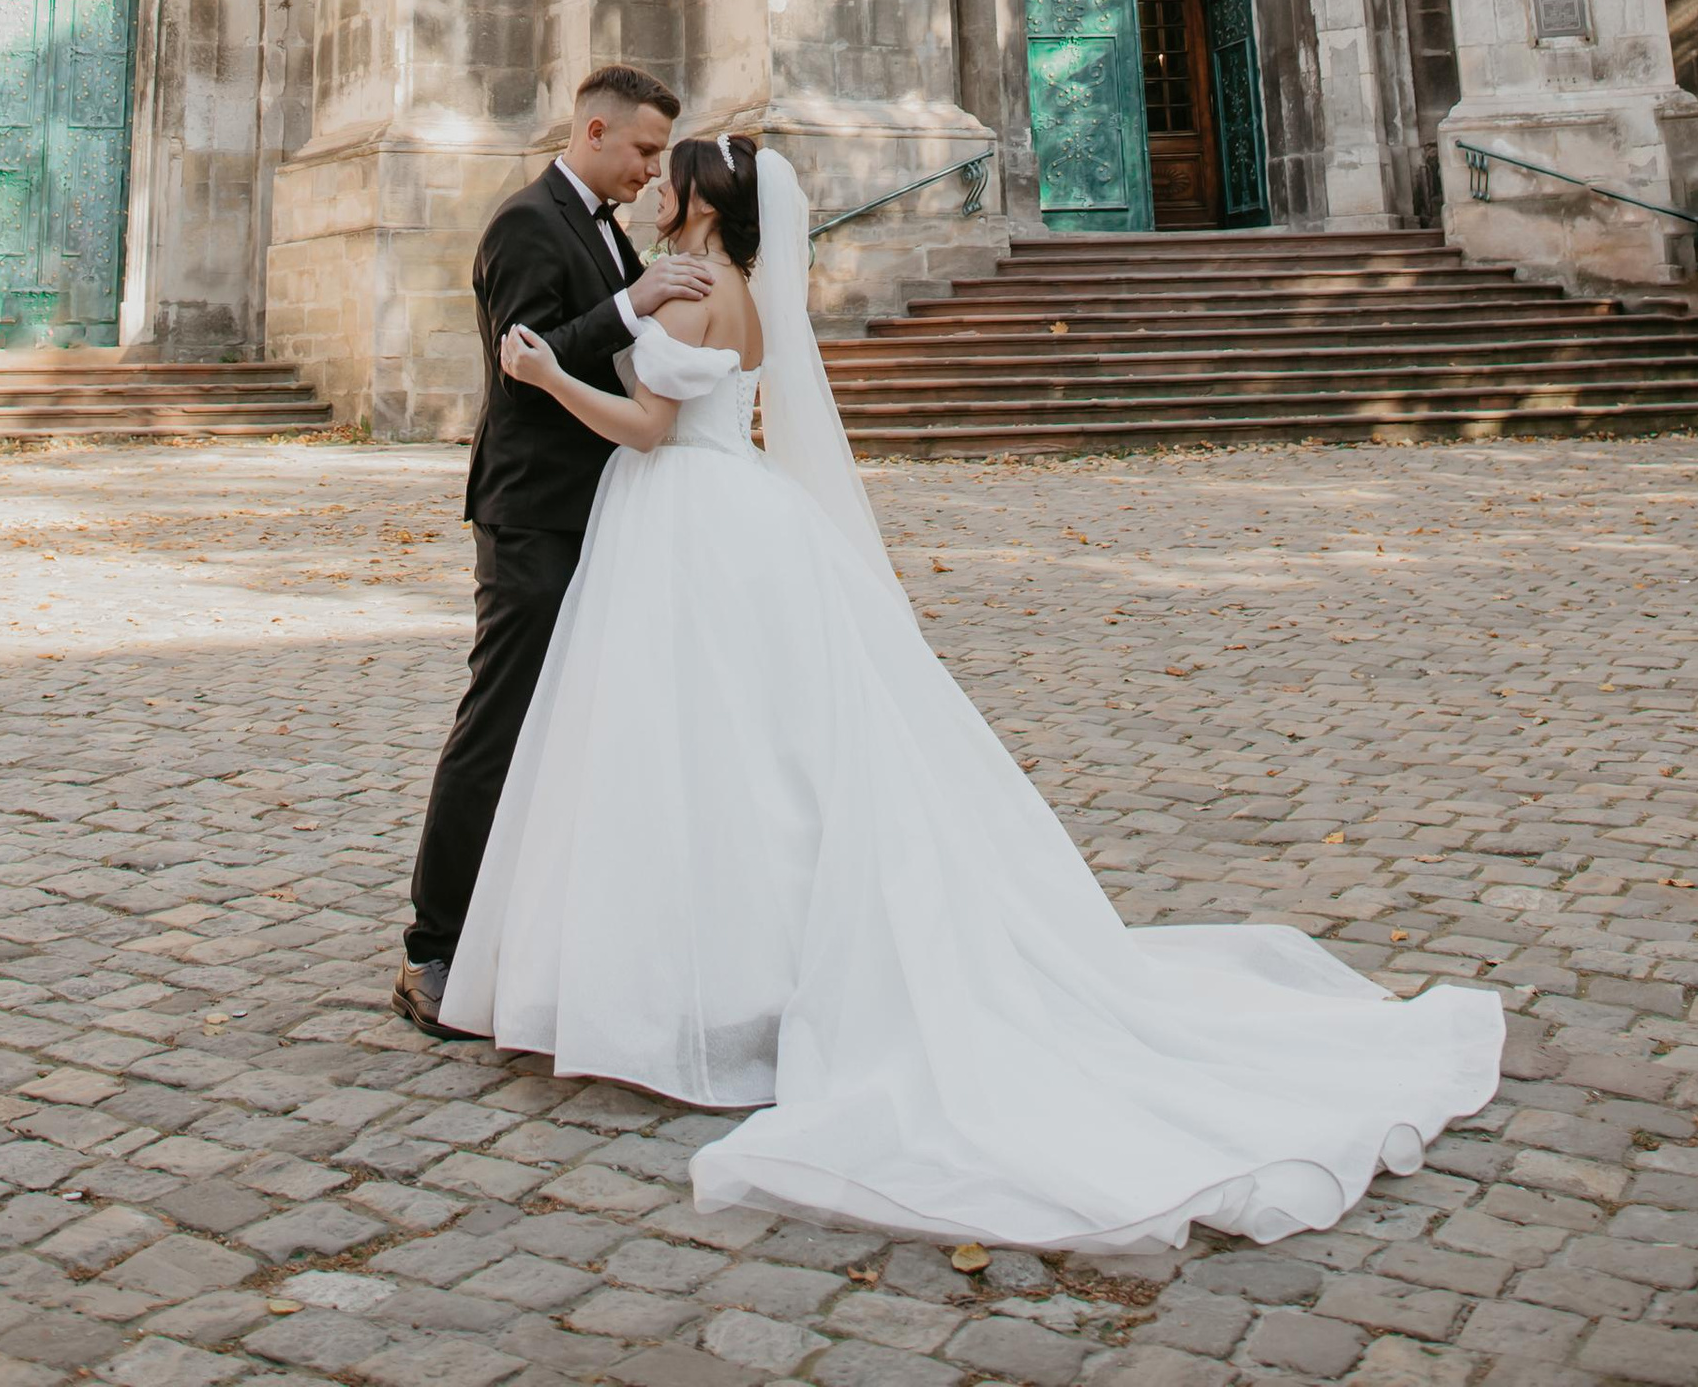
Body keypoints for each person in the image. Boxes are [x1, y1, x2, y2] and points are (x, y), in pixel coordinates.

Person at [440, 130, 1504, 1257]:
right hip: (734, 520)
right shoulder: (737, 289)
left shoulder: (699, 292)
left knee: (701, 752)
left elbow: (650, 428)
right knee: (753, 754)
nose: (656, 180)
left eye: (673, 167)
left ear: (704, 196)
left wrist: (550, 375)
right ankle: (741, 976)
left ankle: (698, 990)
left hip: (688, 519)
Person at [393, 62, 710, 1038]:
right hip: (533, 512)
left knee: (565, 730)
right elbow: (523, 359)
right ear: (595, 130)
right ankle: (432, 948)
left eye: (662, 154)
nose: (651, 169)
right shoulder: (526, 223)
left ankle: (525, 933)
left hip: (596, 509)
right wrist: (635, 302)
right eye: (644, 149)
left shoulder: (604, 228)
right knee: (500, 723)